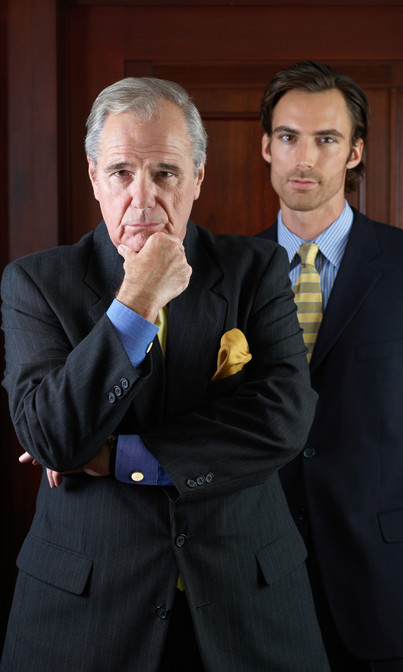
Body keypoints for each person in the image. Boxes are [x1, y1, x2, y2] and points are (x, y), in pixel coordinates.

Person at [0, 77, 329, 672]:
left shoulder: (256, 269)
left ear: (197, 178)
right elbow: (52, 438)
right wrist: (137, 301)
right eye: (122, 172)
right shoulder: (35, 283)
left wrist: (117, 457)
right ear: (94, 177)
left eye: (166, 173)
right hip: (86, 611)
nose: (143, 198)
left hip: (249, 604)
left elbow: (283, 421)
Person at [257, 59, 403, 672]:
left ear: (355, 151)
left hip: (387, 581)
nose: (304, 158)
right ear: (266, 147)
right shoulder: (225, 273)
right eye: (289, 137)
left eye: (326, 139)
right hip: (256, 580)